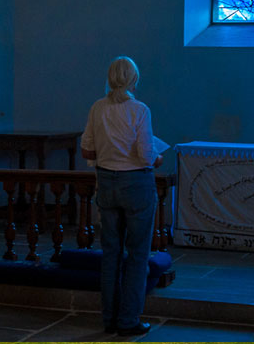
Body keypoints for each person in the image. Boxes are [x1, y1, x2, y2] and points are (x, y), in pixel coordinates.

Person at [80, 56, 162, 336]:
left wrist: (109, 152)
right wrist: (158, 158)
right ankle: (128, 320)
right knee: (138, 254)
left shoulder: (97, 108)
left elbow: (87, 152)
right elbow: (145, 155)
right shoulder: (139, 110)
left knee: (110, 254)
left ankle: (109, 320)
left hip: (106, 182)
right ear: (134, 80)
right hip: (136, 184)